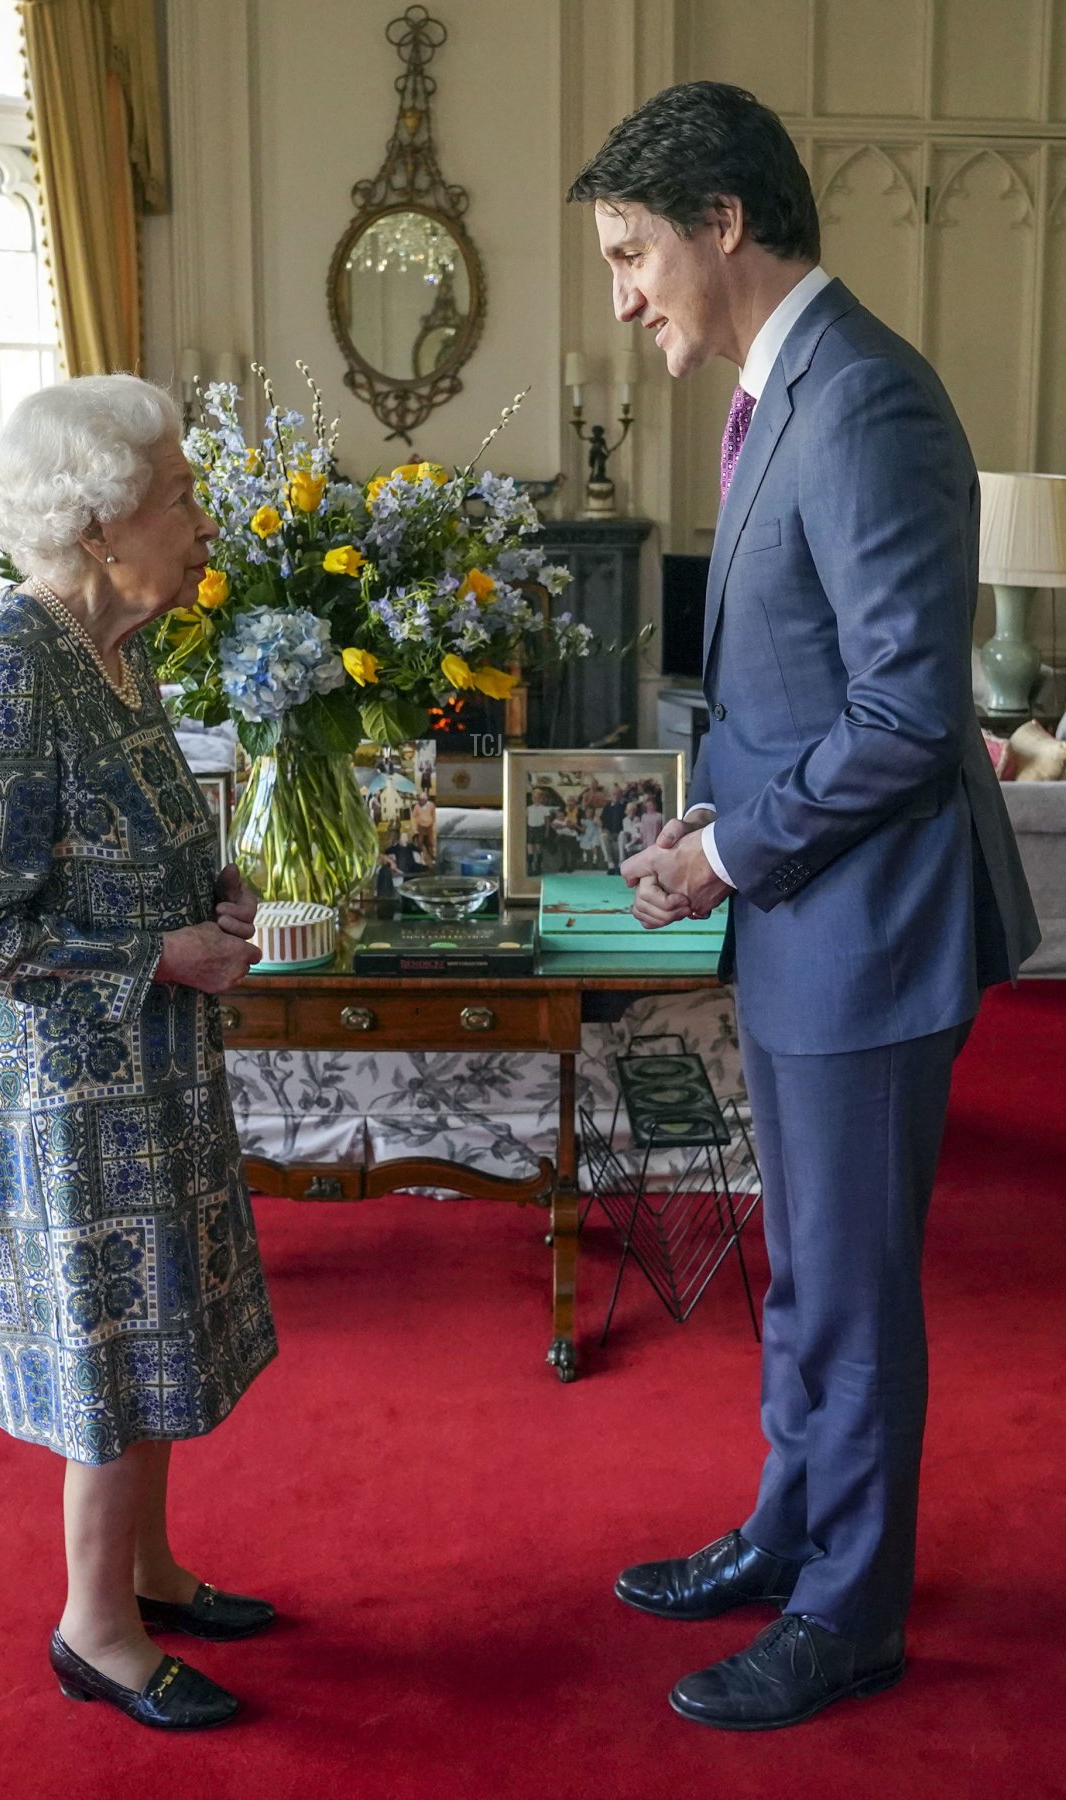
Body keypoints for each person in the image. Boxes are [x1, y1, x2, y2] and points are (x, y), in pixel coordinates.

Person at [569, 81, 1039, 1732]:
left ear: (724, 225)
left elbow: (913, 720)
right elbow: (811, 690)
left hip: (873, 934)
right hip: (808, 914)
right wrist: (715, 818)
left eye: (634, 253)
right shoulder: (783, 394)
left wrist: (727, 856)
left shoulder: (865, 407)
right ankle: (789, 1529)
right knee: (804, 1273)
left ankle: (853, 1609)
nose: (623, 296)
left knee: (847, 1284)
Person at [0, 374, 279, 1732]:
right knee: (108, 1348)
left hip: (151, 1077)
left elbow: (125, 850)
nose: (199, 516)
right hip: (73, 1098)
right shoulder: (7, 664)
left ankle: (151, 1573)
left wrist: (219, 894)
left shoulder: (116, 653)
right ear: (92, 529)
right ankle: (95, 1628)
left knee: (154, 1335)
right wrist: (158, 958)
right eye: (177, 495)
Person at [599, 790, 626, 874]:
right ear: (611, 796)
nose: (616, 796)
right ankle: (610, 865)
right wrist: (605, 829)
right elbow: (603, 820)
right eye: (614, 794)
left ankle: (620, 864)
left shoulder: (624, 806)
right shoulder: (607, 807)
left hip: (621, 832)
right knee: (603, 836)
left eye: (618, 794)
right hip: (609, 833)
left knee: (622, 835)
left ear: (621, 795)